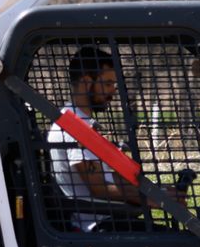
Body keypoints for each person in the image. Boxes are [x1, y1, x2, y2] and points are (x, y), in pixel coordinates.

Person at [49, 46, 159, 232]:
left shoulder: (79, 122)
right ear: (86, 82)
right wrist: (151, 198)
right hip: (100, 225)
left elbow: (109, 178)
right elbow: (98, 188)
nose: (113, 91)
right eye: (108, 84)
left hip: (110, 216)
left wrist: (158, 192)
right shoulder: (74, 128)